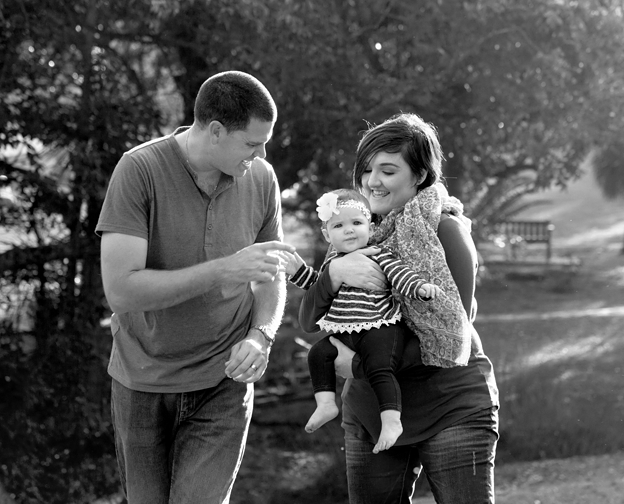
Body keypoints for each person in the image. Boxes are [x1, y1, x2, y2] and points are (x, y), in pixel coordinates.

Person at [95, 70, 295, 504]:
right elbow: (122, 291)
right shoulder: (139, 170)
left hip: (223, 381)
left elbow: (269, 273)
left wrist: (262, 336)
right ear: (216, 131)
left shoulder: (260, 178)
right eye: (252, 142)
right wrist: (224, 270)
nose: (262, 153)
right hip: (143, 382)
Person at [298, 113, 500, 503]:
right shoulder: (352, 234)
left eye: (388, 170)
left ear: (420, 175)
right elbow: (310, 321)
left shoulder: (446, 231)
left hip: (449, 406)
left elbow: (450, 335)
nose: (373, 181)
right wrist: (334, 274)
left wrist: (355, 365)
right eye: (366, 169)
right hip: (371, 413)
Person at [286, 188, 442, 453]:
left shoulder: (376, 254)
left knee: (380, 367)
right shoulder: (331, 263)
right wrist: (297, 271)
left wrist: (419, 288)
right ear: (327, 235)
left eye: (356, 223)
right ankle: (325, 404)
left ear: (369, 228)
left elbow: (399, 274)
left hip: (381, 327)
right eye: (339, 225)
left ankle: (391, 420)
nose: (349, 230)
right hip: (347, 329)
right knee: (318, 353)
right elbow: (316, 284)